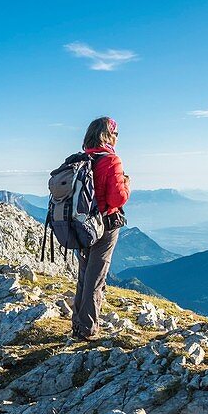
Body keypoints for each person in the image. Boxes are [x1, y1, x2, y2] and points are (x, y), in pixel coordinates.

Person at [71, 116, 130, 341]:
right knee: (96, 278)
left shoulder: (83, 158)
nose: (117, 138)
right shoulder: (111, 160)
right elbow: (117, 198)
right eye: (115, 133)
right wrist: (126, 184)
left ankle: (78, 324)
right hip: (104, 225)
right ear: (108, 134)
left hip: (82, 225)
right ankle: (87, 330)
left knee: (85, 275)